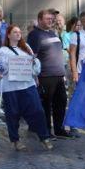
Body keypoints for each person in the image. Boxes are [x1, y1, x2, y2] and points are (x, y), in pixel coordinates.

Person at [0, 25, 54, 152]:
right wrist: (12, 64)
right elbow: (1, 69)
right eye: (15, 32)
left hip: (27, 84)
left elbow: (36, 69)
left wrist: (34, 62)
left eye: (19, 32)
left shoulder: (26, 47)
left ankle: (44, 137)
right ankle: (15, 140)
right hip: (11, 87)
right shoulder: (3, 51)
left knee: (37, 110)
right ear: (8, 35)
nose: (18, 34)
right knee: (13, 114)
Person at [27, 9, 72, 138]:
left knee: (61, 102)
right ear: (40, 19)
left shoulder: (53, 33)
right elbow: (32, 57)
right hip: (45, 76)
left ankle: (59, 129)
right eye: (47, 19)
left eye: (52, 19)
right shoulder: (35, 35)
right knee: (46, 104)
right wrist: (35, 76)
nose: (50, 21)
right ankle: (46, 131)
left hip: (58, 75)